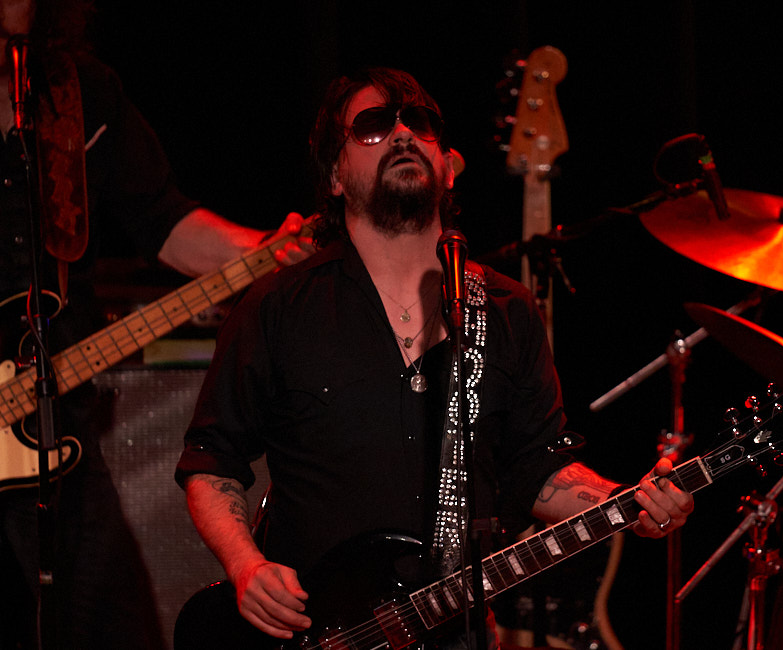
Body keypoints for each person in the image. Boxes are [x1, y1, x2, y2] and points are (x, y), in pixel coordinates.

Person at [175, 66, 694, 648]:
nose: (401, 133)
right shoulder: (279, 305)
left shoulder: (503, 309)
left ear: (448, 165)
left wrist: (626, 502)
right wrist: (247, 568)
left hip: (454, 632)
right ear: (336, 175)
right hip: (313, 632)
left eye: (419, 124)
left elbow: (537, 467)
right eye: (372, 126)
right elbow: (212, 461)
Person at [0, 1, 315, 648]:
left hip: (54, 422)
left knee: (113, 628)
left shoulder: (76, 89)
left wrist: (265, 251)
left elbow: (160, 219)